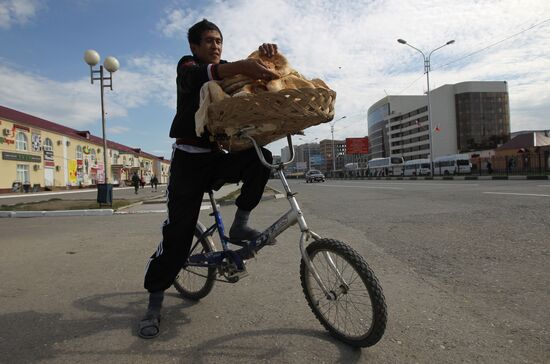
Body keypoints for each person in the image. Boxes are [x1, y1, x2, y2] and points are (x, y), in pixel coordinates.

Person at [138, 19, 278, 339]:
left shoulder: (227, 69)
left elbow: (248, 73)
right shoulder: (188, 67)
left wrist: (265, 56)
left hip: (215, 159)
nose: (216, 46)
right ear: (195, 47)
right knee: (177, 240)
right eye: (209, 41)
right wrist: (242, 66)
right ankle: (155, 303)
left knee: (262, 160)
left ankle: (240, 223)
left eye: (219, 41)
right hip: (187, 163)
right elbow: (201, 77)